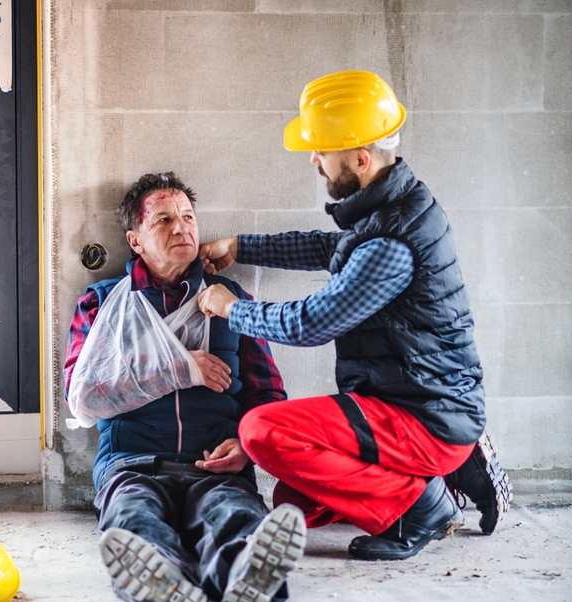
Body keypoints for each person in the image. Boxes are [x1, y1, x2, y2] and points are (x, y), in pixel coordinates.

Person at [197, 70, 512, 562]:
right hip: (416, 400)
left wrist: (231, 308)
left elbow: (310, 324)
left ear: (360, 158)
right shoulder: (395, 204)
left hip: (423, 415)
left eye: (321, 150)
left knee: (261, 433)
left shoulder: (391, 241)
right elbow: (334, 247)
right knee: (294, 501)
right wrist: (241, 246)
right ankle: (452, 468)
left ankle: (423, 507)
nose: (314, 161)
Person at [64, 172, 306, 602]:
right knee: (134, 518)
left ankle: (243, 576)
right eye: (164, 220)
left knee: (234, 514)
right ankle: (163, 581)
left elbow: (268, 394)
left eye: (189, 217)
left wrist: (246, 442)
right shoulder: (100, 304)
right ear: (135, 241)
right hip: (132, 462)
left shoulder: (231, 300)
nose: (183, 228)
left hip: (214, 460)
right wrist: (178, 366)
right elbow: (82, 397)